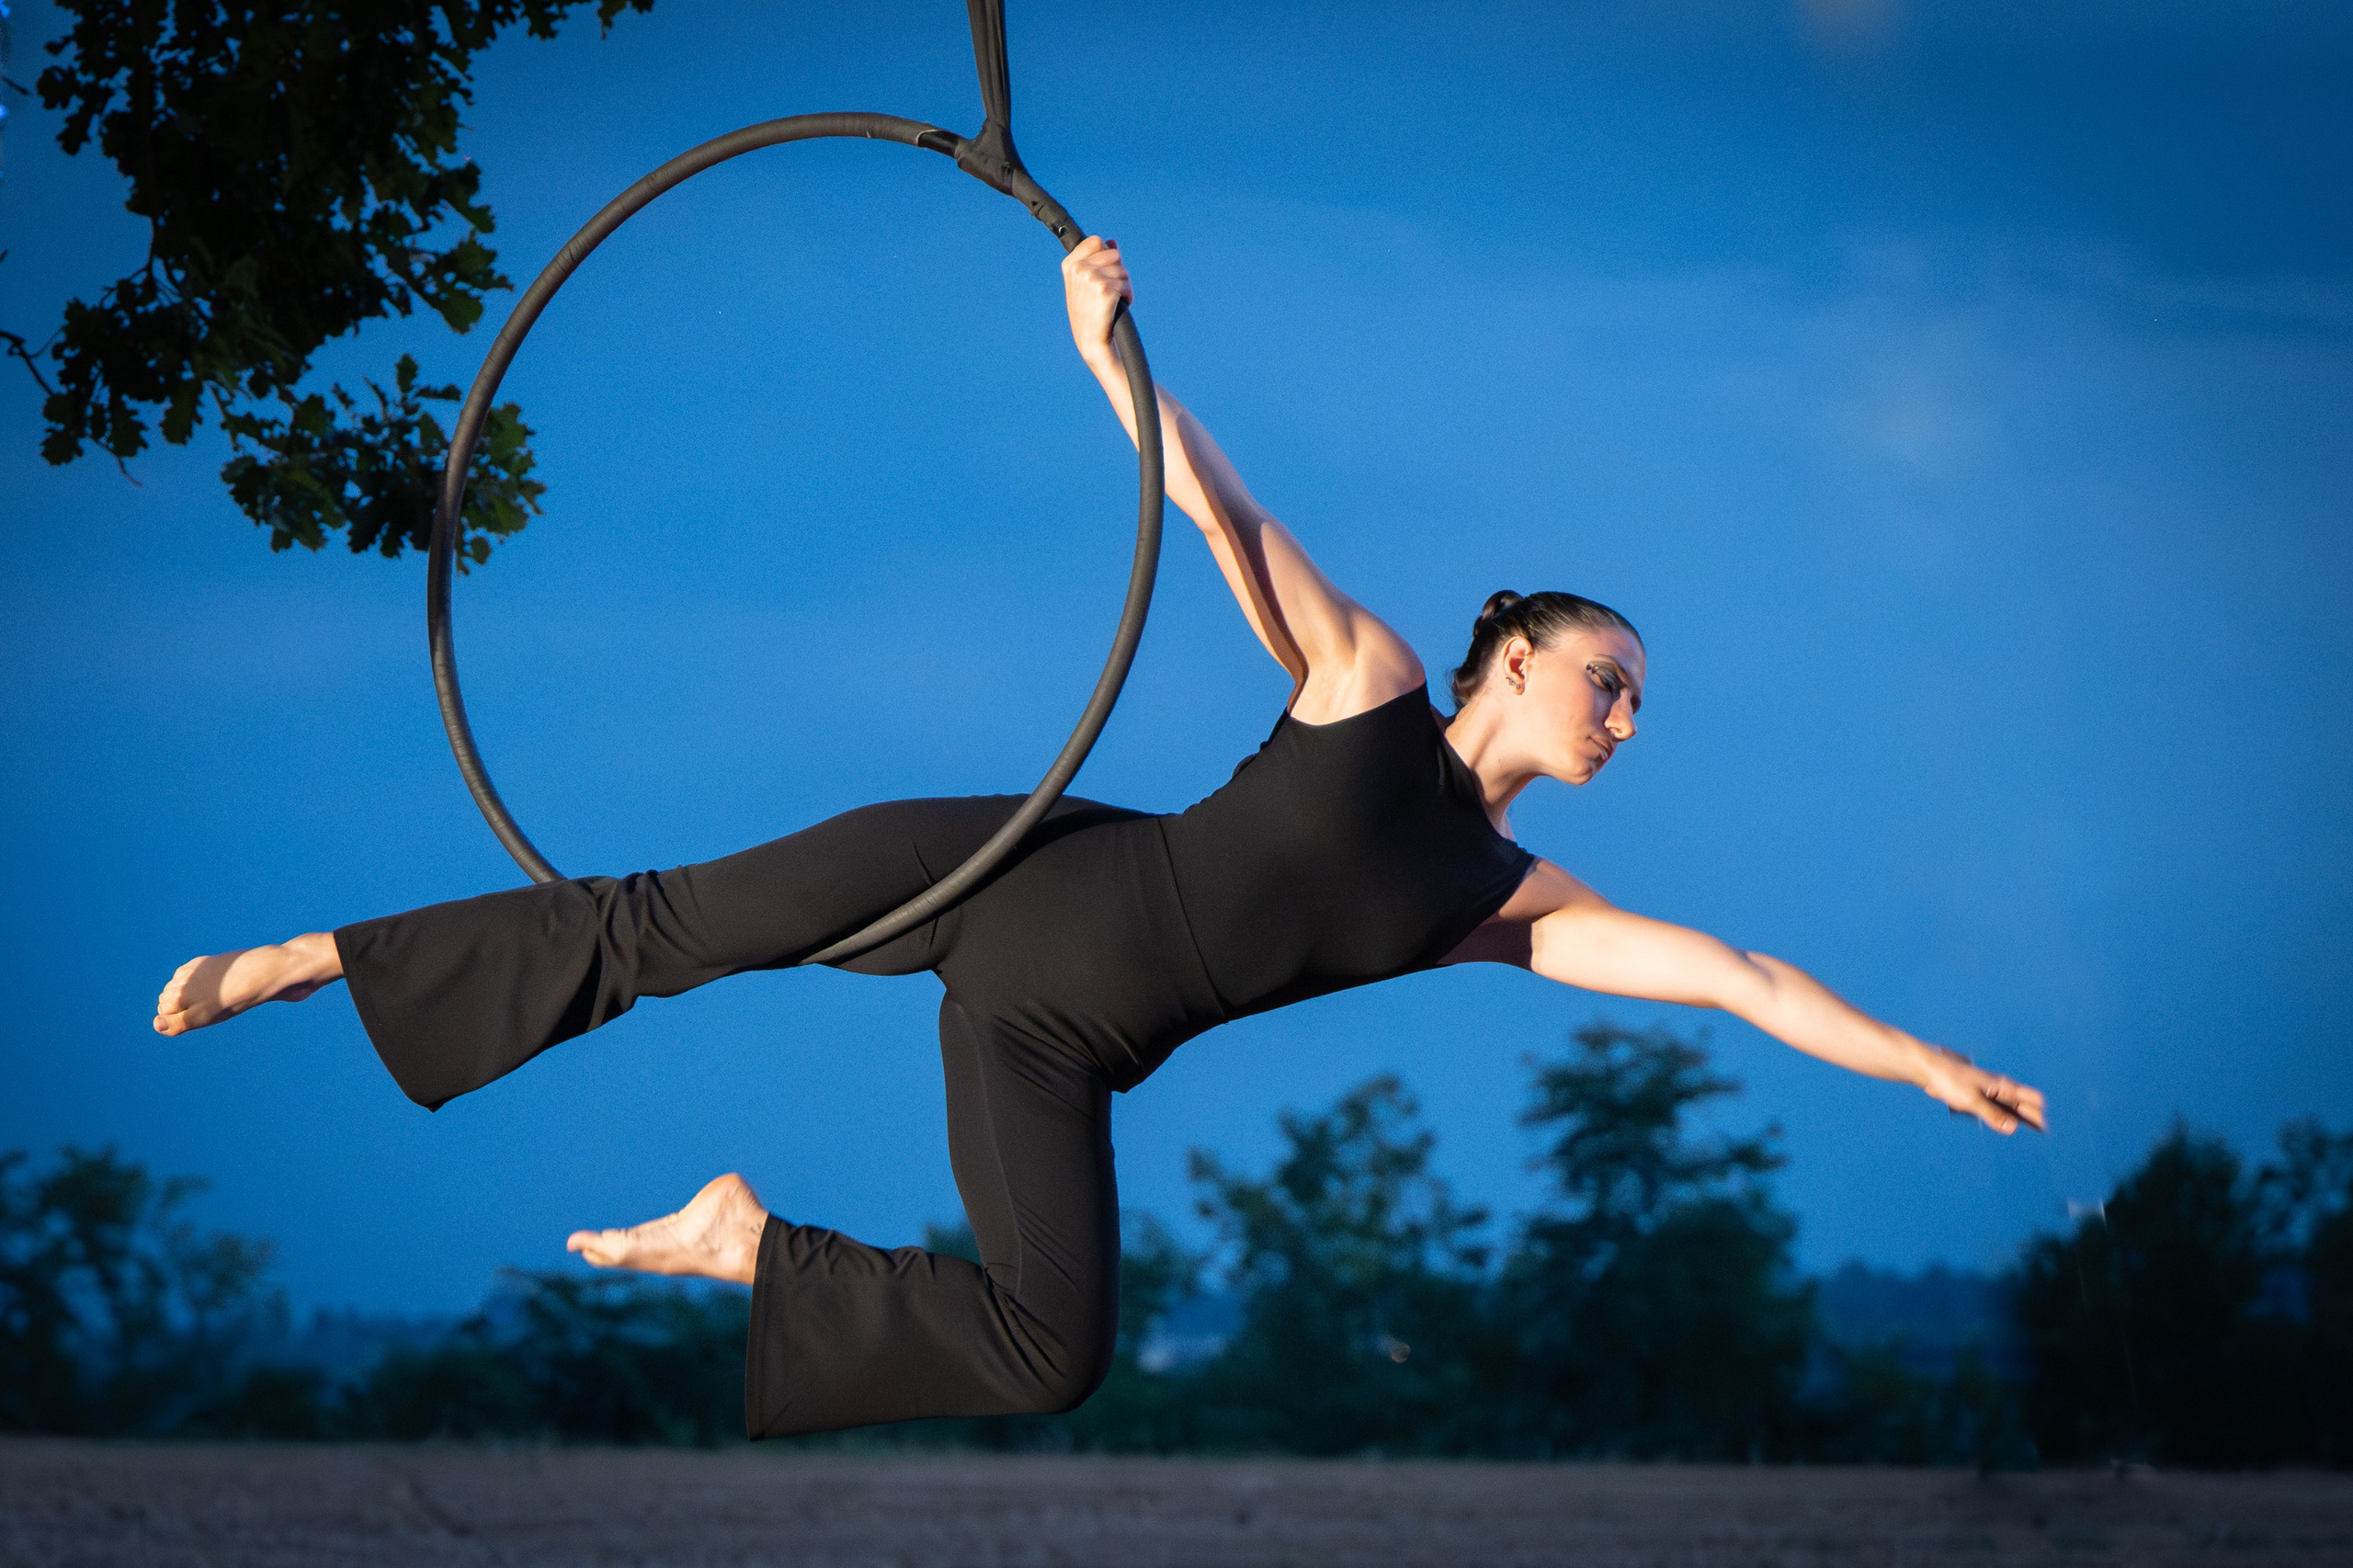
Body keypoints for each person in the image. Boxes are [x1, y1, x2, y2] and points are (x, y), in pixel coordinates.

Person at [153, 237, 2045, 1438]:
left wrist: (1925, 1060)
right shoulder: (1368, 680)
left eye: (1637, 701)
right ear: (1515, 656)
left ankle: (745, 1248)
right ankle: (311, 958)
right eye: (1607, 677)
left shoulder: (1509, 902)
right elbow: (1218, 522)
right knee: (664, 923)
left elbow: (1741, 979)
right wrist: (1106, 353)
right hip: (1006, 869)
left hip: (1048, 1039)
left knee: (1048, 1349)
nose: (1623, 714)